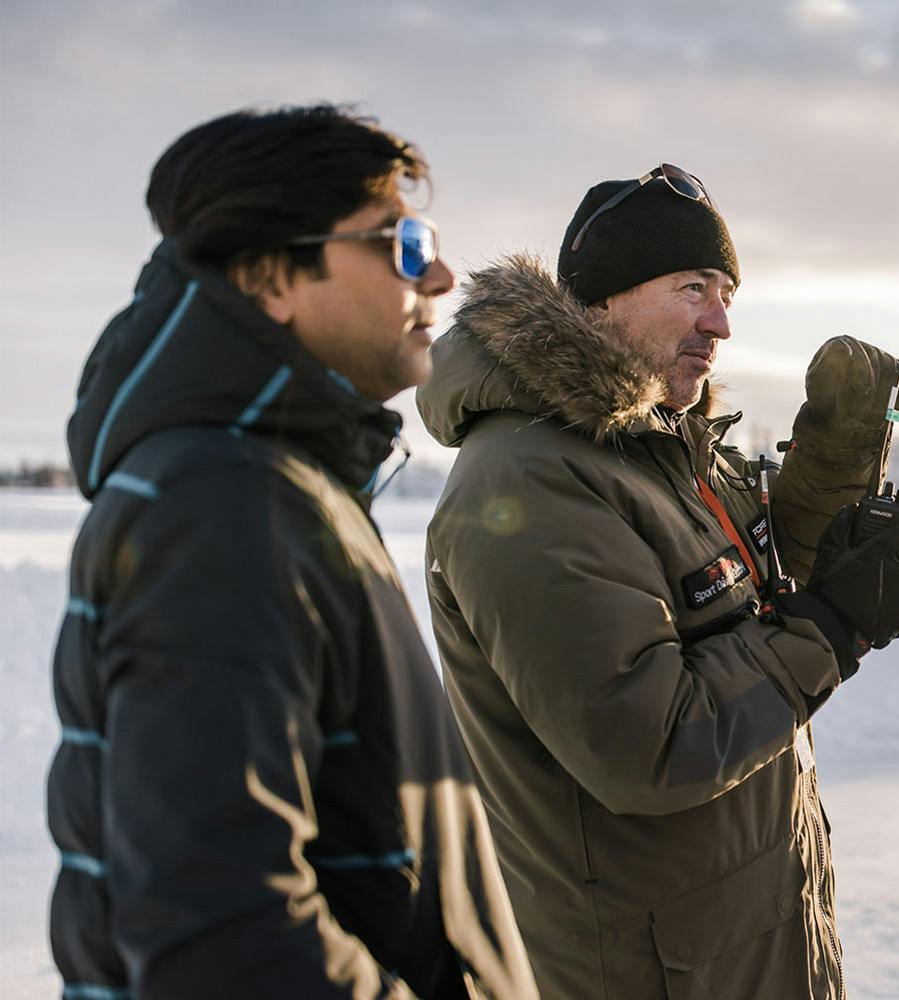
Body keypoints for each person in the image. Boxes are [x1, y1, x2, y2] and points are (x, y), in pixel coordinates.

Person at [50, 105, 536, 998]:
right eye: (400, 243)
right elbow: (225, 940)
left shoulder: (283, 480)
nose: (440, 275)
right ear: (271, 276)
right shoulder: (220, 508)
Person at [418, 166, 899, 999]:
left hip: (747, 946)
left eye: (726, 294)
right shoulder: (527, 480)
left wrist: (838, 465)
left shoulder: (667, 455)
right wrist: (833, 627)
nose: (720, 322)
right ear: (602, 299)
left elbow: (756, 593)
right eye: (693, 287)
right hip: (645, 971)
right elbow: (649, 744)